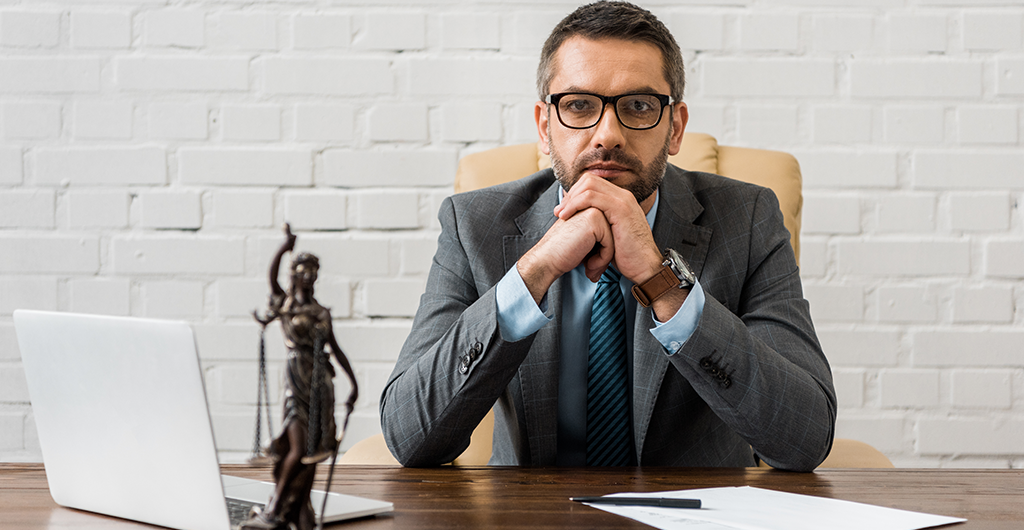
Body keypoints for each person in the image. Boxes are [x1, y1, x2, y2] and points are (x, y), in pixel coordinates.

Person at [380, 1, 835, 471]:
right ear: (544, 127)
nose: (608, 135)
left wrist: (664, 283)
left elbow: (805, 439)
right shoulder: (473, 224)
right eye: (579, 106)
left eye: (638, 106)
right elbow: (410, 438)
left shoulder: (748, 218)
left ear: (675, 128)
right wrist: (532, 274)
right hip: (530, 515)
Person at [243, 224, 358, 530]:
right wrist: (285, 246)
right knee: (296, 449)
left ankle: (299, 513)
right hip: (295, 381)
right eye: (302, 270)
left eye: (312, 271)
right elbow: (270, 276)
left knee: (311, 454)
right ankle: (276, 507)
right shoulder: (285, 304)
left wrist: (354, 384)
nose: (307, 276)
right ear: (293, 274)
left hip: (320, 385)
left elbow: (337, 349)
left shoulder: (321, 312)